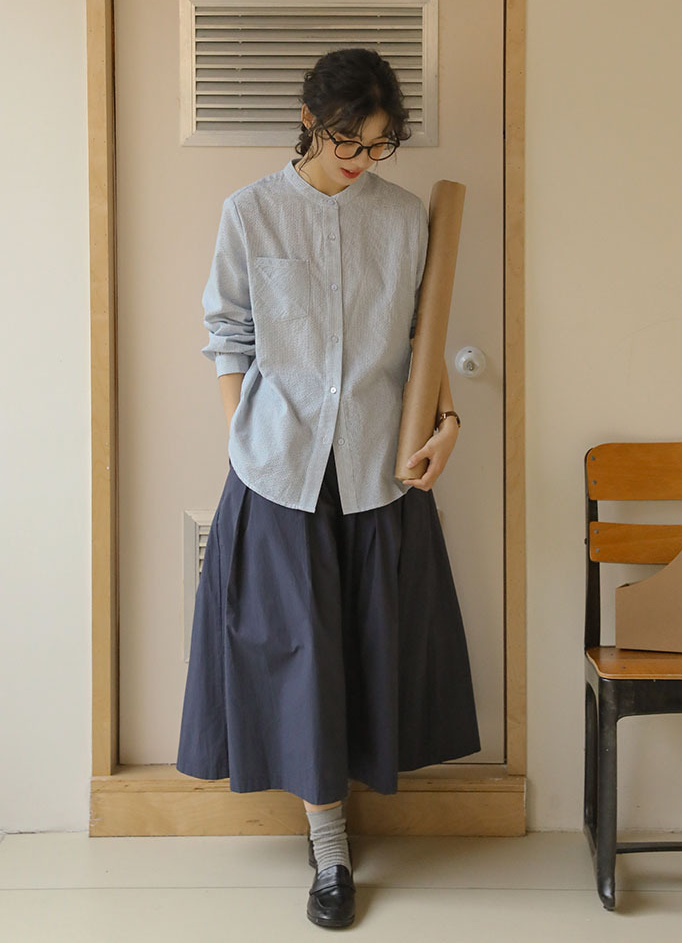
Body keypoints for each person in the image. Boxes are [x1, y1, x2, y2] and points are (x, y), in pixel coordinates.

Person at [176, 48, 481, 929]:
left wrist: (448, 424)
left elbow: (425, 335)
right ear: (310, 120)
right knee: (299, 657)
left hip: (381, 469)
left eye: (379, 145)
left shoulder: (405, 217)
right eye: (348, 139)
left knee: (371, 650)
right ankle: (331, 848)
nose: (360, 158)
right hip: (279, 472)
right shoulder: (251, 212)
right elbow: (228, 333)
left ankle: (346, 826)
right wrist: (242, 437)